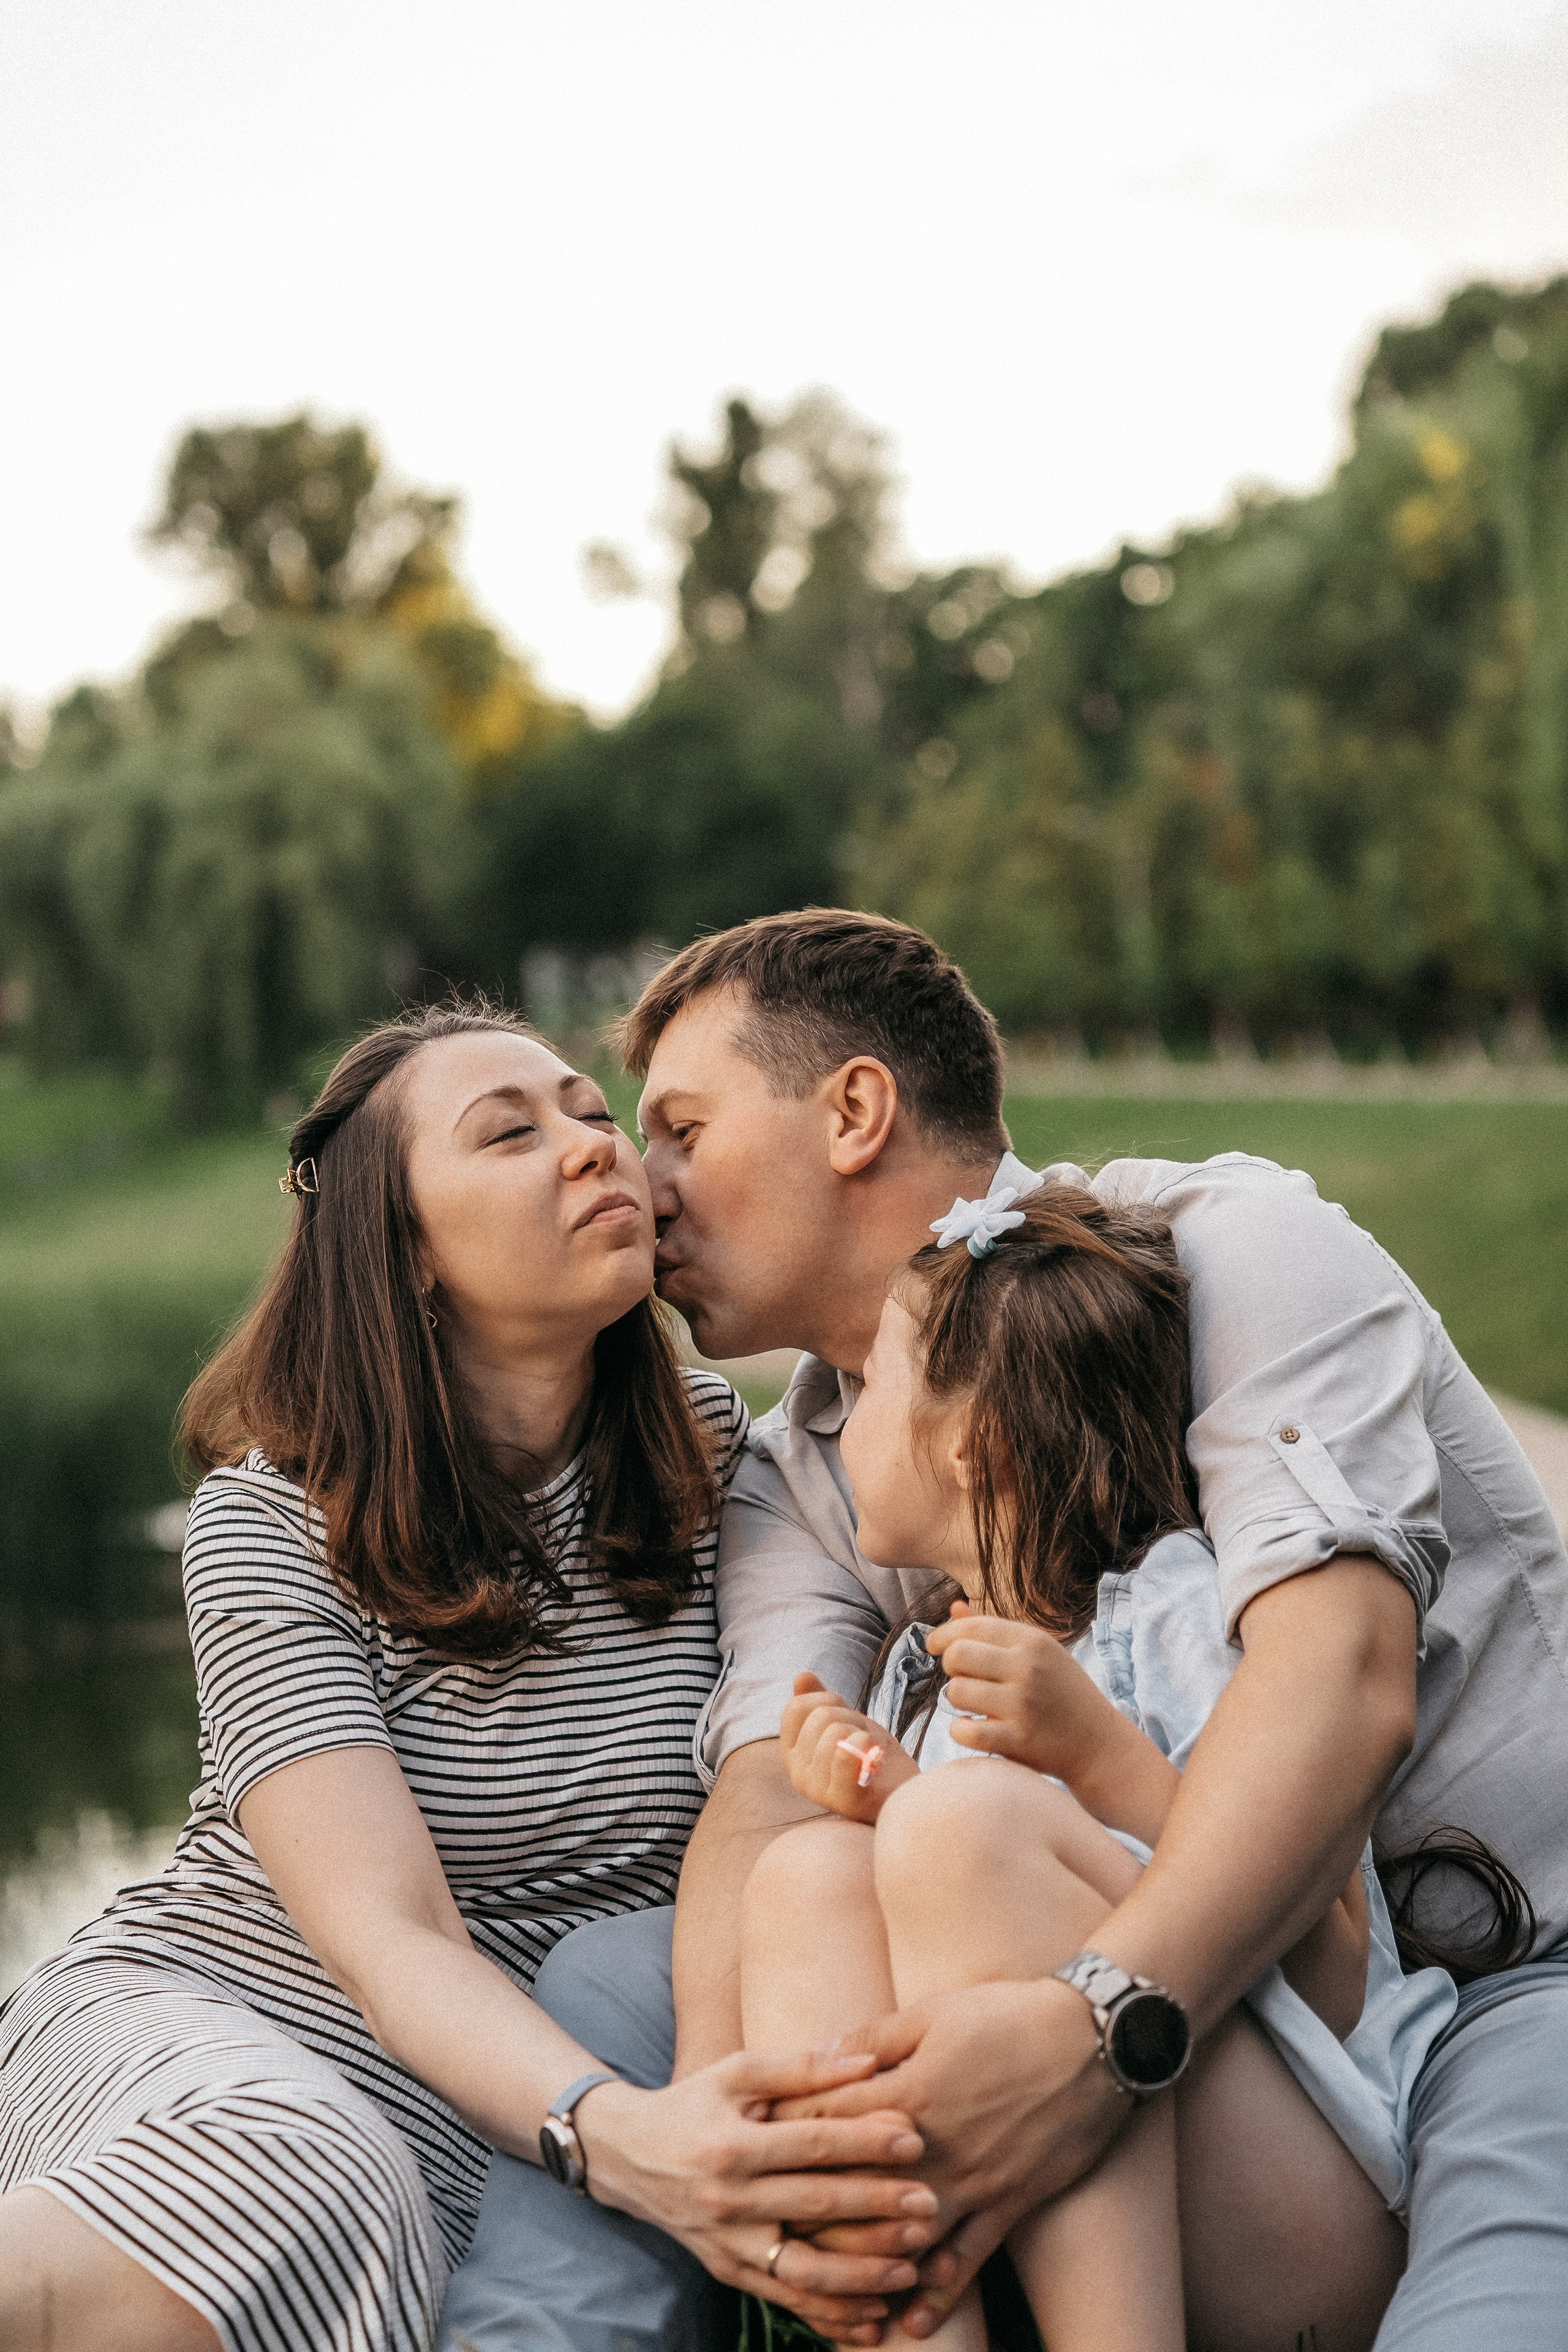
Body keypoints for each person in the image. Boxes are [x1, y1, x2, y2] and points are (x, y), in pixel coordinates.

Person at [445, 907, 1568, 2352]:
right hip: (1132, 2007)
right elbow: (763, 1785)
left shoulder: (1227, 1256)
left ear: (853, 1111)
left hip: (1497, 1985)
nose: (637, 1189)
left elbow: (1336, 1683)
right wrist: (737, 2142)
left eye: (680, 1130)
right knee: (627, 1972)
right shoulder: (808, 1469)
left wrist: (1095, 2030)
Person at [0, 1001, 940, 2352]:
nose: (590, 1149)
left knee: (374, 2199)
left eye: (587, 1113)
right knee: (307, 2169)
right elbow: (392, 1936)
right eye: (509, 1134)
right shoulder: (275, 1521)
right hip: (225, 2024)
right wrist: (620, 2136)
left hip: (497, 2105)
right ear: (410, 1257)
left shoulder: (723, 1459)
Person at [745, 1181, 1461, 2351]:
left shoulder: (1169, 1614)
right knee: (804, 1877)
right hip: (1080, 2190)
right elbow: (972, 1924)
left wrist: (1097, 1753)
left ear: (971, 1448)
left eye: (871, 1388)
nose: (832, 1418)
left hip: (1308, 2215)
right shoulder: (922, 1666)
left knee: (959, 1830)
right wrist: (885, 1798)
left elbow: (1337, 1971)